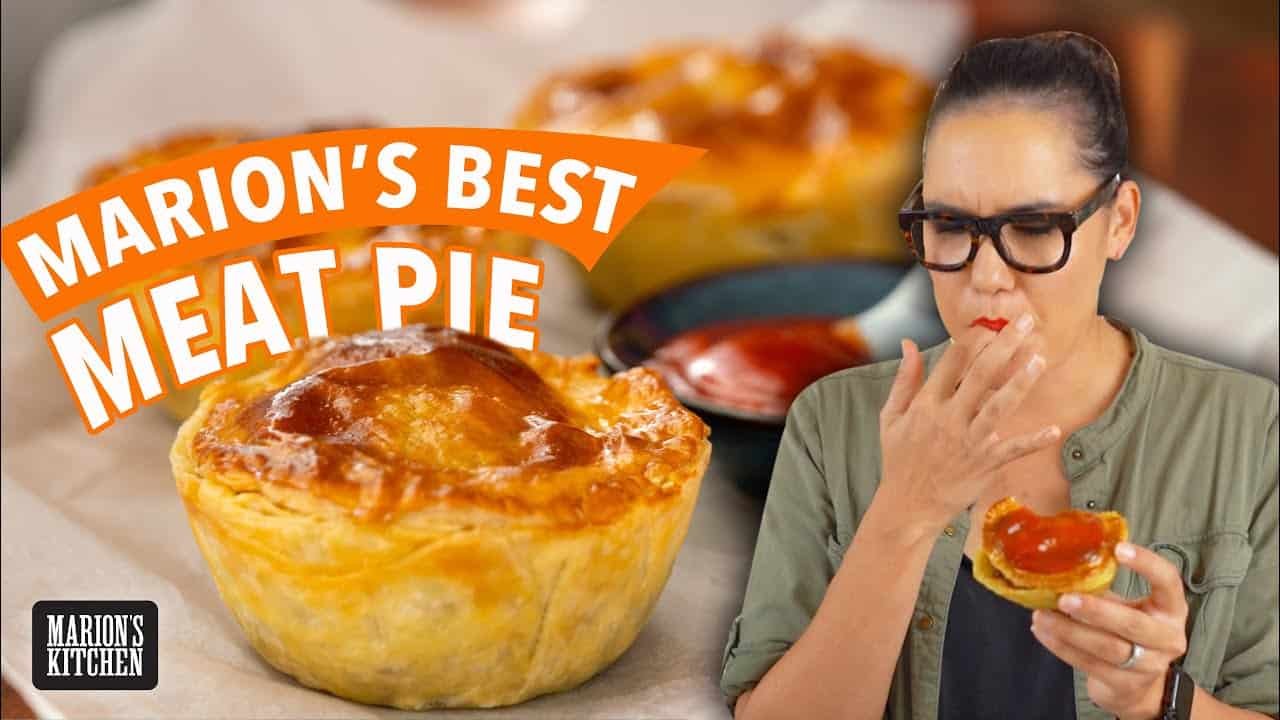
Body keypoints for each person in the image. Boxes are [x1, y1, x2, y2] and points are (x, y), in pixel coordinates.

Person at [720, 31, 1278, 720]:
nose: (986, 277)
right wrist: (904, 512)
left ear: (1120, 222)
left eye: (1036, 227)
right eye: (950, 226)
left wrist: (1163, 701)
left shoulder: (1250, 429)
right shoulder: (830, 423)